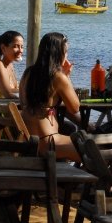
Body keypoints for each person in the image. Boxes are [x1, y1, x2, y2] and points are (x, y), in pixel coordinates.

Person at [19, 31, 81, 161]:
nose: (67, 55)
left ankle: (69, 181)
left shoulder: (28, 73)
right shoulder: (58, 77)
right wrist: (66, 76)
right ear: (59, 53)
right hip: (49, 142)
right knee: (93, 151)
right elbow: (75, 108)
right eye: (66, 51)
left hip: (29, 143)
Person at [0, 30, 24, 98]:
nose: (20, 50)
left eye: (22, 47)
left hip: (6, 106)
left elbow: (14, 91)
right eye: (16, 46)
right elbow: (8, 94)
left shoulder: (10, 65)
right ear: (3, 48)